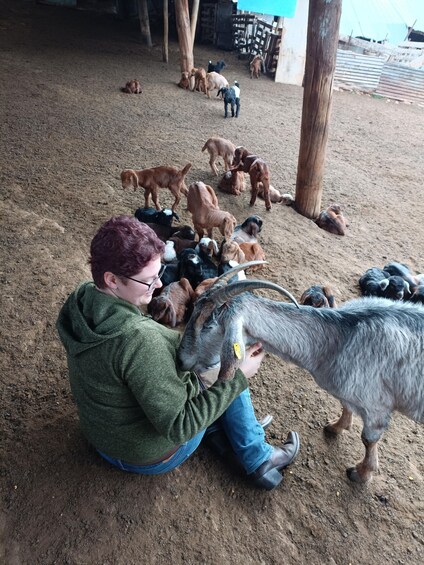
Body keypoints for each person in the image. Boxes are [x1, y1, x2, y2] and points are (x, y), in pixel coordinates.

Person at [56, 215, 300, 490]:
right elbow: (180, 426)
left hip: (103, 435)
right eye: (149, 280)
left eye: (159, 275)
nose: (159, 285)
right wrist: (238, 376)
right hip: (144, 454)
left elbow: (134, 359)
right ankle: (259, 458)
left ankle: (220, 433)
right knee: (228, 366)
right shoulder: (138, 340)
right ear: (112, 279)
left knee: (211, 372)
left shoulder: (81, 299)